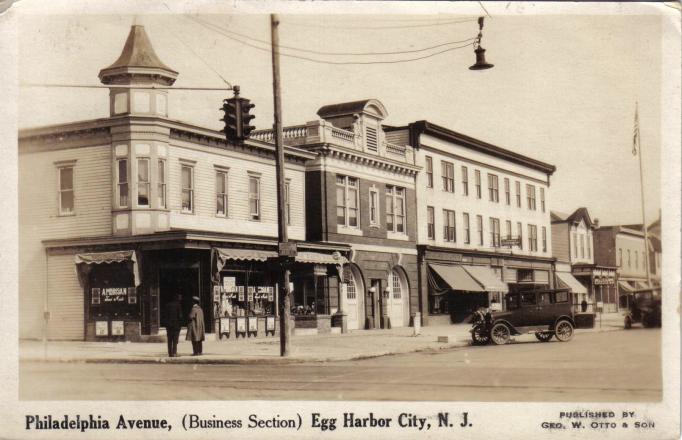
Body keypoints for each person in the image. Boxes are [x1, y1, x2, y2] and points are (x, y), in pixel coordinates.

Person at [163, 293, 183, 357]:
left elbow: (165, 316)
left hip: (169, 326)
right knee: (175, 340)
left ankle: (170, 353)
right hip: (176, 326)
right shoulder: (178, 305)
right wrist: (180, 324)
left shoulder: (167, 305)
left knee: (169, 340)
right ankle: (174, 352)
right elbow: (180, 316)